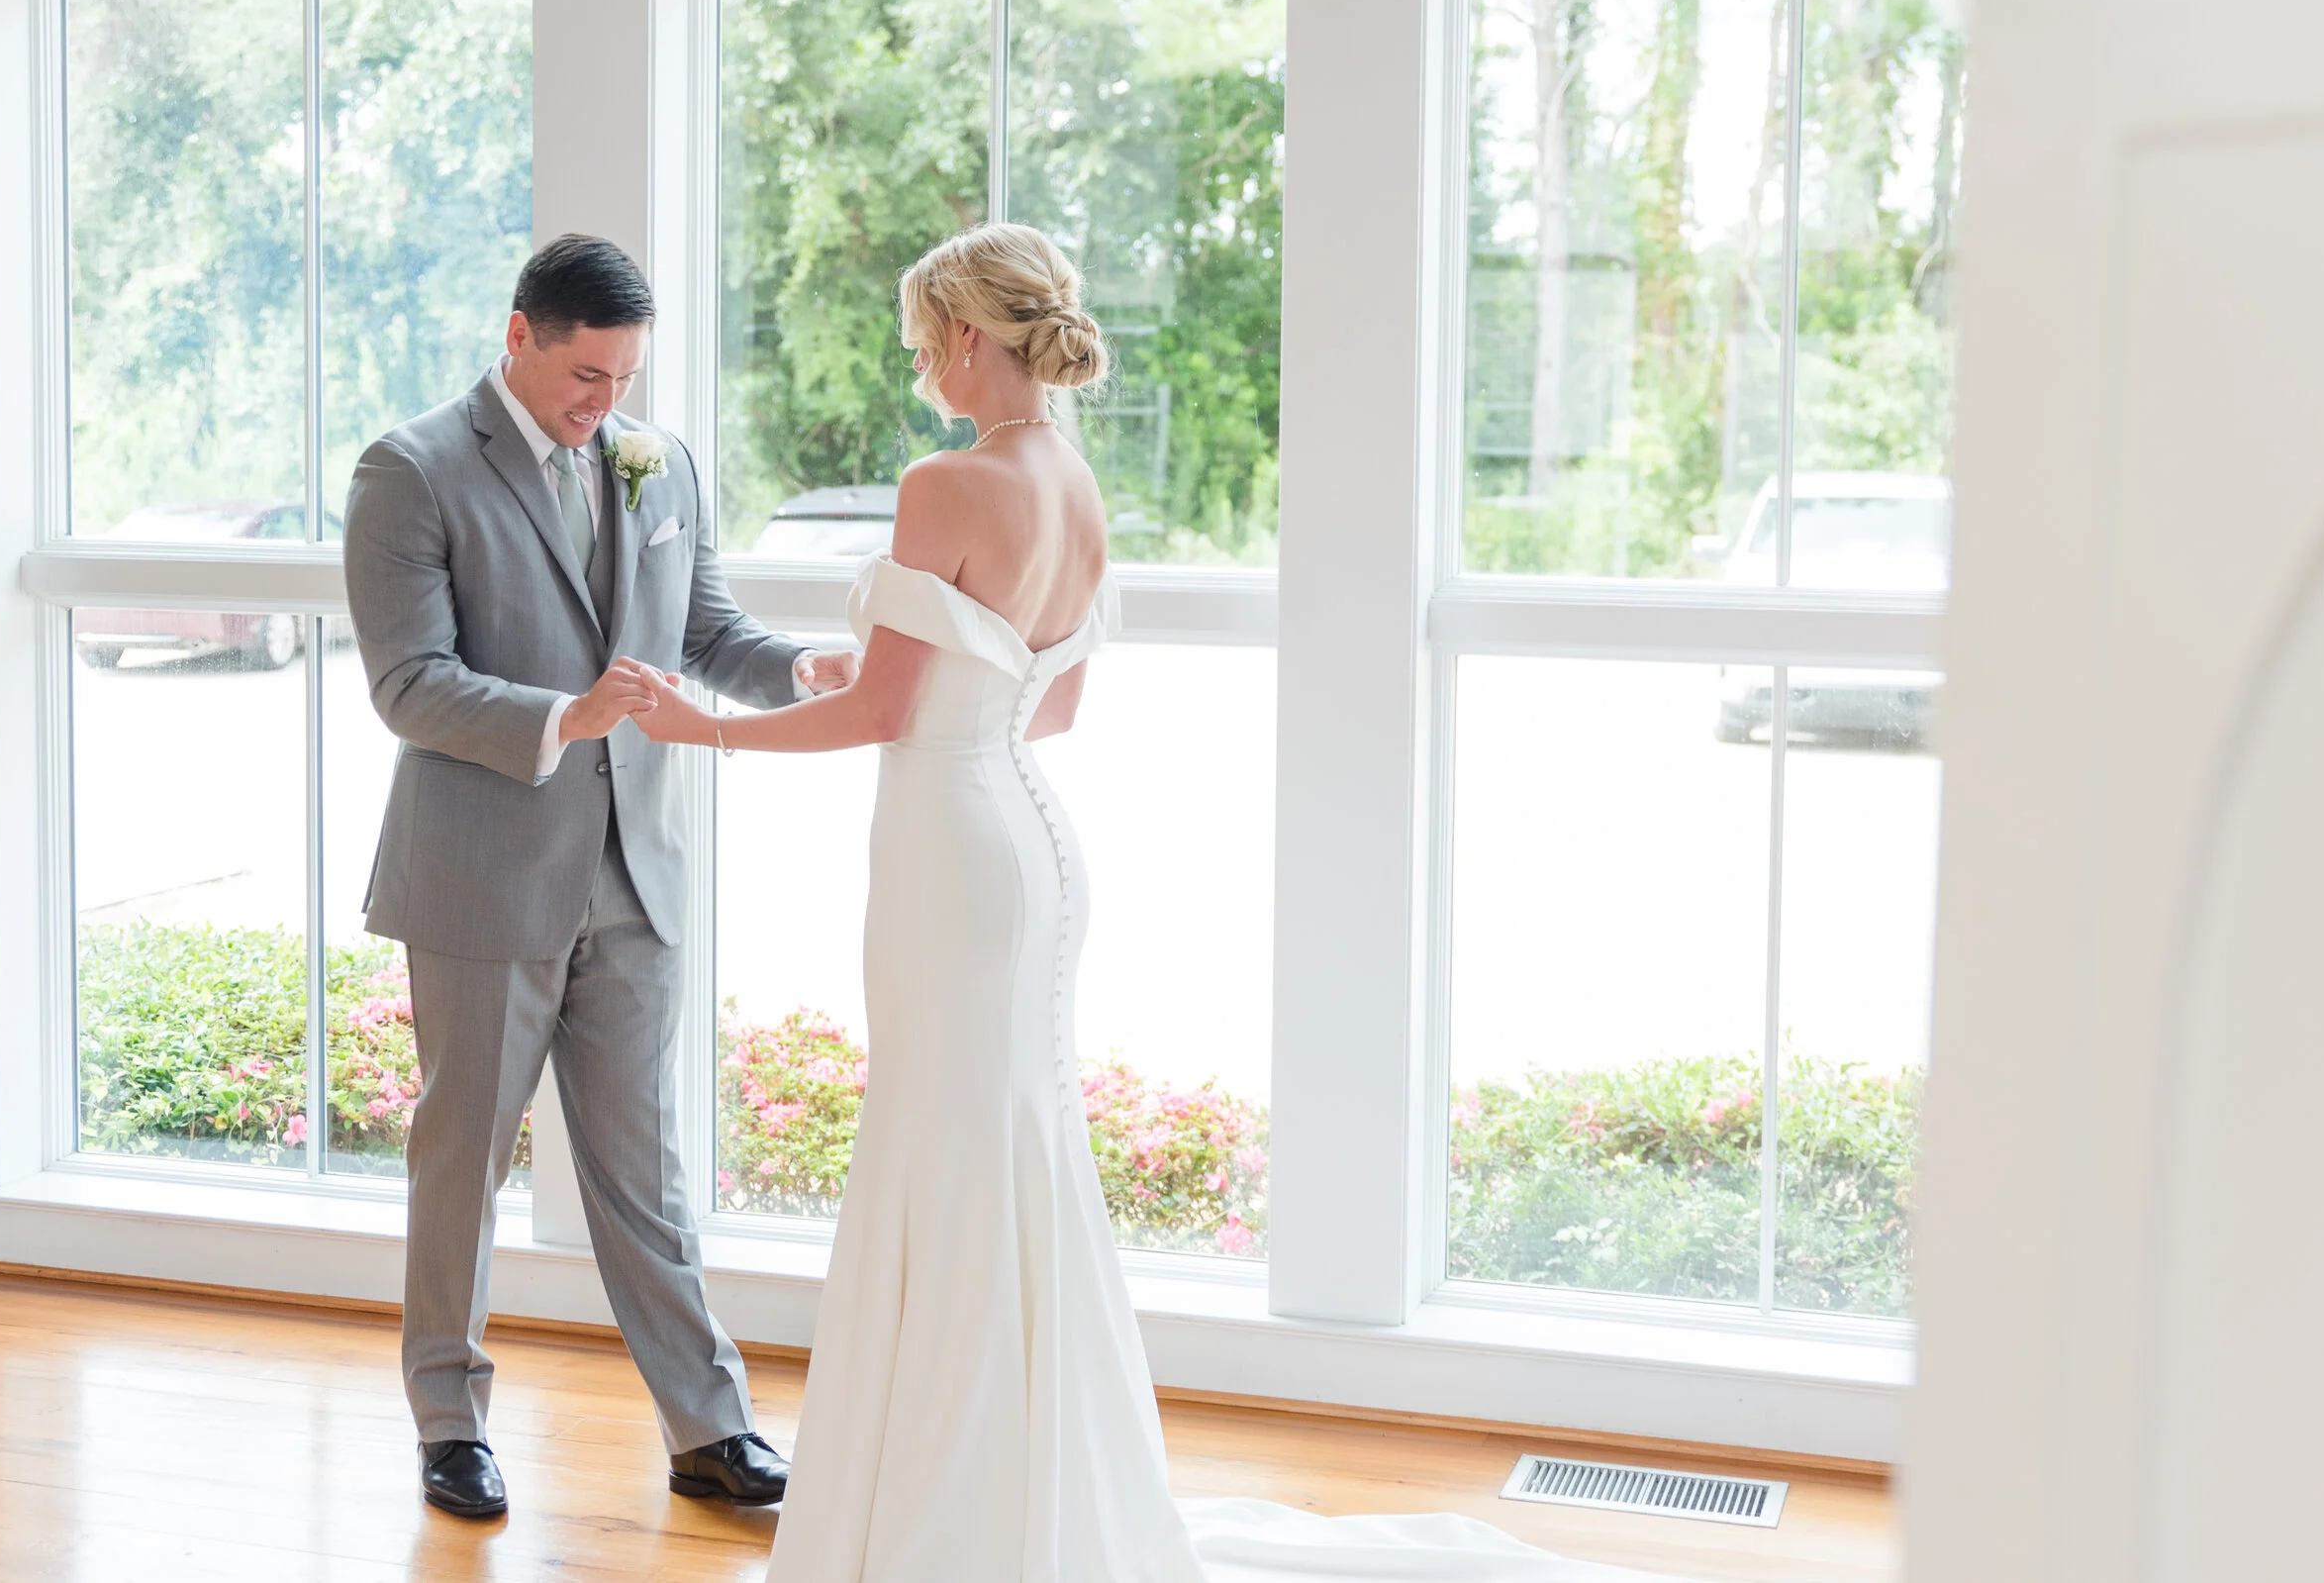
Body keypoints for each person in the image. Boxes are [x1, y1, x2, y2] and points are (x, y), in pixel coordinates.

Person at [621, 223, 1680, 1581]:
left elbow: (891, 712)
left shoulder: (944, 482)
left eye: (919, 339)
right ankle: (1031, 1487)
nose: (918, 364)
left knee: (944, 1148)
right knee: (1012, 1150)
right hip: (1033, 842)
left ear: (963, 333)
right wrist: (865, 678)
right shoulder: (1073, 480)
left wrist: (689, 726)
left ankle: (937, 1510)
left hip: (950, 850)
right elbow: (1039, 702)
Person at [342, 234, 856, 1521]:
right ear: (518, 336)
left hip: (642, 875)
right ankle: (449, 1421)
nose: (604, 404)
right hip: (482, 877)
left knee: (649, 1169)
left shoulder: (660, 460)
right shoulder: (410, 471)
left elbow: (706, 633)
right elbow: (409, 686)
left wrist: (803, 672)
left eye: (624, 379)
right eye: (584, 375)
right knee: (462, 1158)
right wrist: (568, 718)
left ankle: (708, 1426)